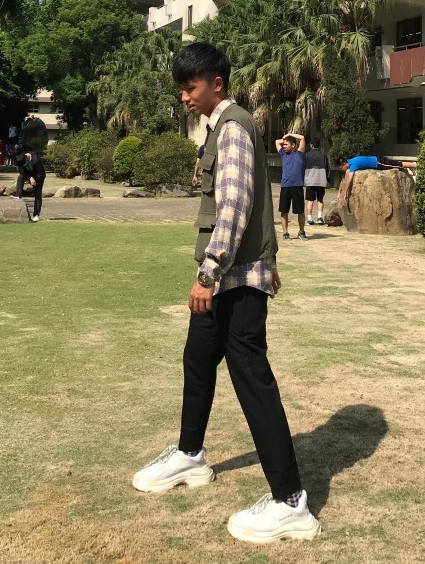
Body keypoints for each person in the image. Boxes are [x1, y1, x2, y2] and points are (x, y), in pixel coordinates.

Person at [132, 42, 320, 544]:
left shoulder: (233, 126)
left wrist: (208, 273)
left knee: (252, 380)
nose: (184, 97)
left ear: (216, 83)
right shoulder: (222, 127)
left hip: (233, 280)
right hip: (229, 278)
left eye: (190, 87)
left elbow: (235, 206)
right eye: (181, 89)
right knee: (197, 359)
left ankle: (291, 502)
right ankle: (190, 456)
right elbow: (256, 201)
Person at [334, 154, 415, 207]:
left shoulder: (353, 165)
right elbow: (344, 179)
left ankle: (415, 165)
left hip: (379, 162)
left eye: (341, 168)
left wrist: (346, 192)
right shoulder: (350, 161)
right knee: (396, 164)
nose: (341, 170)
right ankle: (410, 164)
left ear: (344, 164)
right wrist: (339, 192)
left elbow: (349, 179)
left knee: (399, 165)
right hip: (377, 161)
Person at [274, 132, 308, 241]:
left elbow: (302, 138)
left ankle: (301, 232)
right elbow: (277, 142)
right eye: (283, 145)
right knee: (284, 211)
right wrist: (285, 139)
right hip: (285, 186)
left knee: (300, 212)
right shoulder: (283, 154)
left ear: (293, 145)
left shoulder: (299, 154)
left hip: (297, 186)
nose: (284, 146)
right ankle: (285, 233)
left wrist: (290, 134)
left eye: (286, 145)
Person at [304, 137, 330, 226]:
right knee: (320, 199)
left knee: (310, 200)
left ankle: (309, 219)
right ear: (319, 145)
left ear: (311, 145)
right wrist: (327, 180)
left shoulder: (306, 155)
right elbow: (327, 169)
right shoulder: (323, 156)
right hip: (321, 180)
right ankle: (319, 218)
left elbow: (302, 168)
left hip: (310, 181)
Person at [23, 150, 46, 221]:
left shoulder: (36, 160)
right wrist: (29, 178)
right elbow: (22, 170)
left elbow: (40, 173)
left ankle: (36, 214)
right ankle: (18, 195)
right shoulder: (22, 160)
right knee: (20, 177)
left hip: (39, 177)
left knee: (38, 194)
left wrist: (34, 180)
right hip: (30, 176)